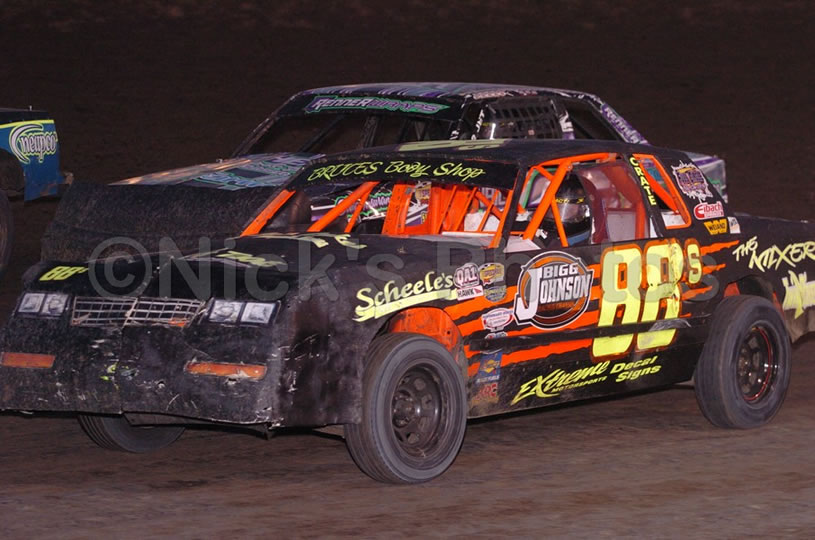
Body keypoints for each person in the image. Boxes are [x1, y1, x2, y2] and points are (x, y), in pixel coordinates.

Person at [540, 174, 592, 246]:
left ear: (585, 211)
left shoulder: (587, 245)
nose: (555, 215)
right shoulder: (539, 235)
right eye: (552, 210)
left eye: (567, 210)